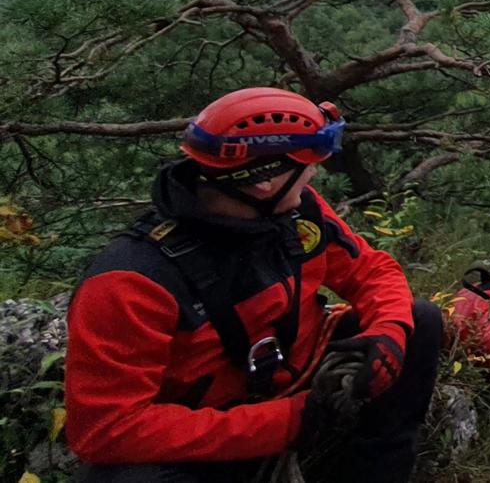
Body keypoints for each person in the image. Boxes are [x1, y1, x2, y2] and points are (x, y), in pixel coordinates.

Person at [64, 87, 442, 482]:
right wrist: (288, 421)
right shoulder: (130, 281)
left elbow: (371, 271)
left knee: (421, 321)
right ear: (266, 179)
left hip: (299, 378)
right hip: (208, 428)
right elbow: (106, 430)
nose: (314, 173)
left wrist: (389, 332)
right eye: (307, 164)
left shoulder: (297, 213)